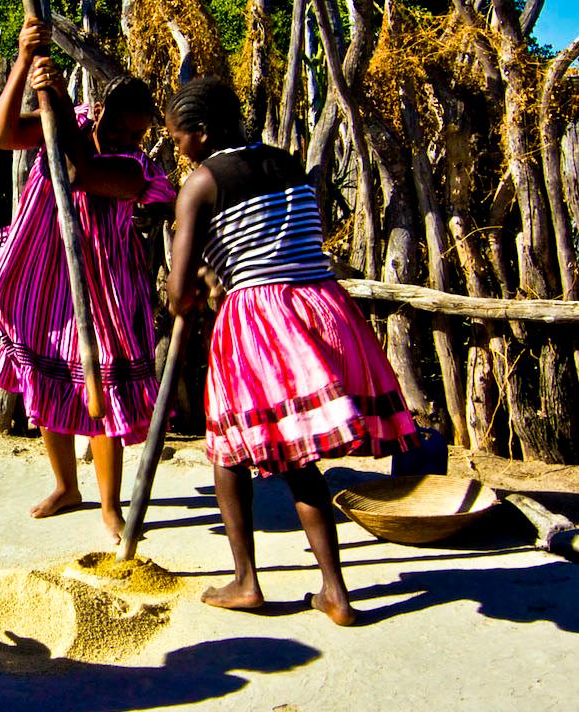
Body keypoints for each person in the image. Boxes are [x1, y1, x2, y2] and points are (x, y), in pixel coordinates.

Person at [164, 77, 420, 626]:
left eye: (178, 137)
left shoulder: (201, 183)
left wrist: (192, 287)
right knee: (297, 452)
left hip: (260, 318)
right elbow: (281, 239)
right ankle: (335, 592)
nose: (176, 148)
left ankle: (246, 581)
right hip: (321, 304)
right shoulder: (286, 162)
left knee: (228, 448)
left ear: (202, 132)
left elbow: (179, 287)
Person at [0, 16, 176, 544]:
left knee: (102, 393)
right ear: (106, 111)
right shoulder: (70, 121)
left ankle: (111, 506)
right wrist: (26, 64)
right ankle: (66, 486)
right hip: (46, 277)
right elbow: (2, 134)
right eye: (119, 126)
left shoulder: (138, 169)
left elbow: (80, 171)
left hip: (104, 289)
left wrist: (62, 109)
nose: (126, 137)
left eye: (138, 133)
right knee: (51, 382)